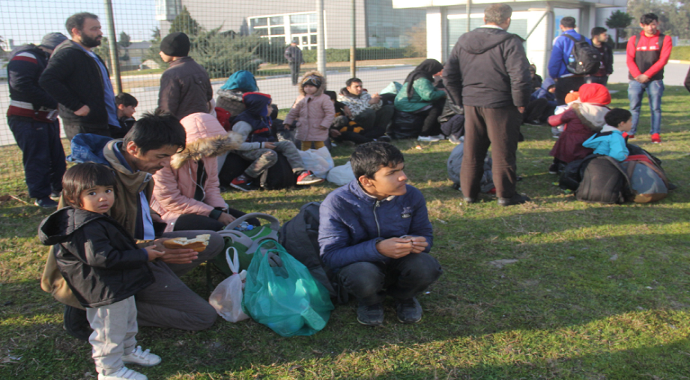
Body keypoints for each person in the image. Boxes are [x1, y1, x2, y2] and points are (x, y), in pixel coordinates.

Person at [40, 112, 225, 342]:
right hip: (107, 269)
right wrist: (150, 251)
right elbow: (96, 250)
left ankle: (148, 287)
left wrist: (154, 231)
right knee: (202, 316)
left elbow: (132, 220)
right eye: (161, 156)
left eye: (170, 156)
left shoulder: (139, 172)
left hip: (137, 252)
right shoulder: (94, 181)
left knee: (214, 240)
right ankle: (94, 312)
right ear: (133, 148)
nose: (166, 163)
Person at [39, 163, 162, 380]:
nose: (103, 197)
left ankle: (127, 351)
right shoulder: (84, 226)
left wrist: (141, 249)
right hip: (102, 290)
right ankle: (109, 371)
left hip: (117, 285)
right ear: (73, 198)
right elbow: (103, 258)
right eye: (92, 193)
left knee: (127, 319)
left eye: (108, 191)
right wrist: (143, 255)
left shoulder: (96, 218)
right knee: (108, 330)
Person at [319, 142, 442, 326]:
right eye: (392, 173)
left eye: (401, 169)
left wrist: (419, 242)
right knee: (362, 276)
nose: (403, 177)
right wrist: (377, 249)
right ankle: (370, 302)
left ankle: (404, 297)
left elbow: (425, 235)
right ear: (366, 181)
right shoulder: (337, 203)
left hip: (401, 262)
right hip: (361, 266)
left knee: (427, 267)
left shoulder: (412, 196)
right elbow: (330, 256)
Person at [443, 4, 532, 206]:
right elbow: (520, 75)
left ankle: (469, 193)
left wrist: (460, 100)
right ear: (507, 20)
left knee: (472, 150)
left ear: (484, 19)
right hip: (501, 104)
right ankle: (506, 195)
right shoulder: (510, 41)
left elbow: (448, 74)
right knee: (503, 151)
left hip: (472, 102)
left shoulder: (463, 40)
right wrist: (521, 102)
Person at [151, 112, 255, 232]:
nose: (208, 153)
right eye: (204, 147)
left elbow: (212, 186)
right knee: (218, 228)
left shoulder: (210, 155)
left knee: (251, 222)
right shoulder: (165, 161)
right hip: (169, 213)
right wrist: (215, 214)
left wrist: (220, 209)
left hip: (201, 208)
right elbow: (170, 200)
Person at [6, 32, 68, 208]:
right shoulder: (27, 57)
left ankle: (59, 188)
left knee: (56, 156)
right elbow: (21, 85)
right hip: (28, 119)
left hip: (46, 118)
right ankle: (41, 195)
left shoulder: (45, 60)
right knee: (37, 158)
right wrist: (55, 101)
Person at [39, 12, 120, 141]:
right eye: (94, 29)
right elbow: (47, 80)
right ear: (76, 31)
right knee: (92, 161)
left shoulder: (91, 55)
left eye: (99, 28)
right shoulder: (68, 54)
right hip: (85, 126)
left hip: (103, 123)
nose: (100, 33)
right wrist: (76, 106)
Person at [227, 92, 324, 191]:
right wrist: (262, 145)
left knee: (287, 144)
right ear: (259, 107)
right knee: (270, 154)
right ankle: (242, 179)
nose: (272, 109)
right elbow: (236, 146)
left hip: (261, 145)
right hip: (245, 150)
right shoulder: (244, 123)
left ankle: (301, 174)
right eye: (268, 106)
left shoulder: (262, 117)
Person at [626, 13, 672, 143]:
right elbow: (629, 59)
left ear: (657, 24)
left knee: (655, 107)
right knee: (634, 106)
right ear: (642, 25)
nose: (650, 27)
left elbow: (663, 60)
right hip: (635, 79)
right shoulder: (634, 39)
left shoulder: (665, 39)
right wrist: (637, 75)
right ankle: (631, 131)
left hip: (655, 79)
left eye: (653, 24)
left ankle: (655, 133)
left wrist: (647, 75)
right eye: (647, 25)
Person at [546, 83, 611, 173]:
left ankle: (558, 166)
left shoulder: (577, 109)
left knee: (563, 141)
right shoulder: (607, 111)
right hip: (594, 143)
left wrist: (550, 119)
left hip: (572, 143)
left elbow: (555, 121)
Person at [158, 32, 213, 120]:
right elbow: (208, 96)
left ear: (171, 50)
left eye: (163, 50)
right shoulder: (200, 69)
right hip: (202, 120)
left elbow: (167, 106)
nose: (160, 53)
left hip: (182, 124)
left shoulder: (171, 73)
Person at [394, 59, 447, 142]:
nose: (436, 73)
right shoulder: (422, 79)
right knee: (434, 110)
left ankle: (435, 133)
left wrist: (438, 89)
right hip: (407, 104)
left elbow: (427, 89)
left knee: (436, 106)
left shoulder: (417, 74)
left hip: (407, 102)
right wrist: (443, 93)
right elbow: (429, 96)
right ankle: (424, 135)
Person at [284, 72, 335, 150]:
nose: (308, 88)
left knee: (319, 144)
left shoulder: (324, 98)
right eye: (306, 86)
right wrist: (288, 122)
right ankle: (306, 159)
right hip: (303, 127)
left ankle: (322, 159)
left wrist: (325, 124)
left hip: (318, 127)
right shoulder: (301, 98)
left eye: (311, 86)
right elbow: (293, 111)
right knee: (305, 144)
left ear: (318, 87)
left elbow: (330, 113)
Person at [548, 16, 591, 105]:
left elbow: (555, 60)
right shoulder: (585, 39)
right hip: (581, 76)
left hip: (565, 77)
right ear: (575, 25)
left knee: (563, 104)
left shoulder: (560, 39)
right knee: (579, 104)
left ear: (561, 26)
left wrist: (553, 74)